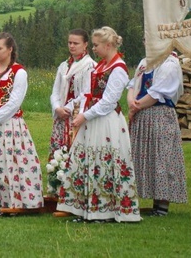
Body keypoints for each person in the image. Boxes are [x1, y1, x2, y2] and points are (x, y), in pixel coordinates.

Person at [56, 27, 141, 223]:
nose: (93, 49)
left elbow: (108, 101)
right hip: (93, 119)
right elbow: (88, 93)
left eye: (96, 45)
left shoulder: (118, 68)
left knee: (104, 160)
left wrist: (85, 115)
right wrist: (79, 112)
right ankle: (86, 208)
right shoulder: (100, 66)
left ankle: (106, 210)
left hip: (107, 120)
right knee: (88, 161)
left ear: (108, 45)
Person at [0, 33, 43, 216]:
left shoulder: (19, 72)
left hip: (9, 125)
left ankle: (15, 201)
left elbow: (14, 102)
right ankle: (0, 201)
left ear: (10, 49)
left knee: (11, 163)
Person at [127, 50, 187, 216]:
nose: (148, 44)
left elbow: (157, 93)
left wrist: (135, 107)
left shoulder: (170, 63)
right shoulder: (144, 61)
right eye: (146, 40)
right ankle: (151, 199)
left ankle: (162, 204)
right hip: (142, 115)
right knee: (144, 156)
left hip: (160, 115)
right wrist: (132, 102)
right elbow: (133, 85)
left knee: (161, 156)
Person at [49, 29, 95, 158]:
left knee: (75, 151)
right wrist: (57, 107)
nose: (72, 46)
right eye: (70, 42)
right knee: (59, 154)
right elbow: (55, 91)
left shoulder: (89, 66)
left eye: (76, 43)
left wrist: (68, 108)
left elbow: (86, 92)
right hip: (61, 115)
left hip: (76, 114)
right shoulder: (64, 65)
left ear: (85, 44)